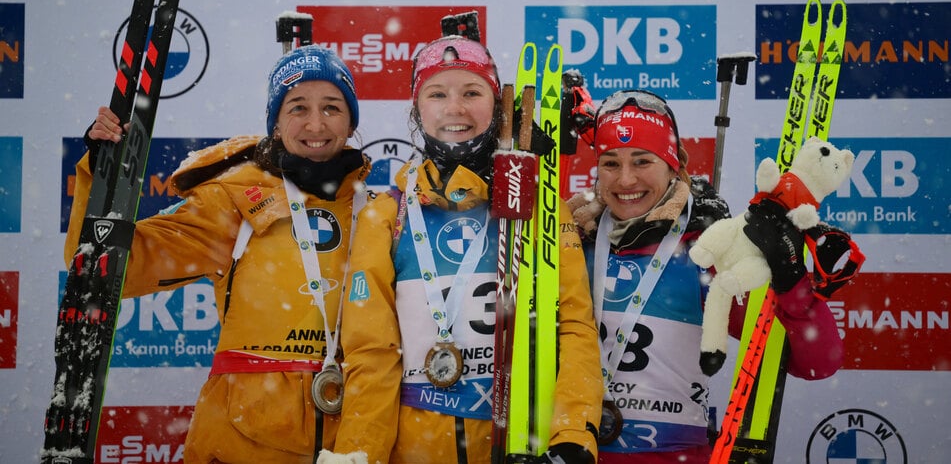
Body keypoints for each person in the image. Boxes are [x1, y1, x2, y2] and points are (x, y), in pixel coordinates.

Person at [64, 45, 370, 463]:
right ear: (276, 122)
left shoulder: (378, 212)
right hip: (242, 443)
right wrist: (103, 175)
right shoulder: (234, 203)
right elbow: (107, 267)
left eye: (332, 107)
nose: (315, 123)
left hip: (351, 444)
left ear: (351, 121)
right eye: (298, 107)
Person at [323, 36, 603, 464]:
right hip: (415, 450)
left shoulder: (540, 208)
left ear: (498, 105)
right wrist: (359, 453)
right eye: (437, 94)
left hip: (520, 445)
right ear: (417, 109)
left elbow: (574, 329)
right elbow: (371, 355)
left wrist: (572, 438)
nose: (455, 108)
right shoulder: (387, 216)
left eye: (472, 92)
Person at [566, 89, 844, 463]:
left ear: (673, 165)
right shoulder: (570, 243)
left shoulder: (706, 251)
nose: (625, 179)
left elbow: (816, 362)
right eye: (610, 163)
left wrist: (790, 278)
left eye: (643, 161)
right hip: (571, 453)